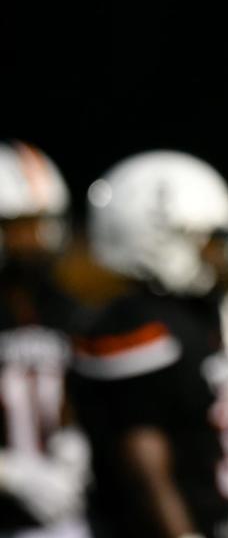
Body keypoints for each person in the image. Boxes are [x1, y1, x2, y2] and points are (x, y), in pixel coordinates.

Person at [70, 150, 228, 538]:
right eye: (206, 238)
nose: (220, 253)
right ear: (157, 238)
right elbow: (145, 467)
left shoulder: (203, 312)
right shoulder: (133, 325)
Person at [0, 140, 92, 538]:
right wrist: (10, 475)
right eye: (20, 225)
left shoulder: (61, 307)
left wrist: (74, 445)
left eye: (41, 222)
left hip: (64, 519)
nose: (36, 239)